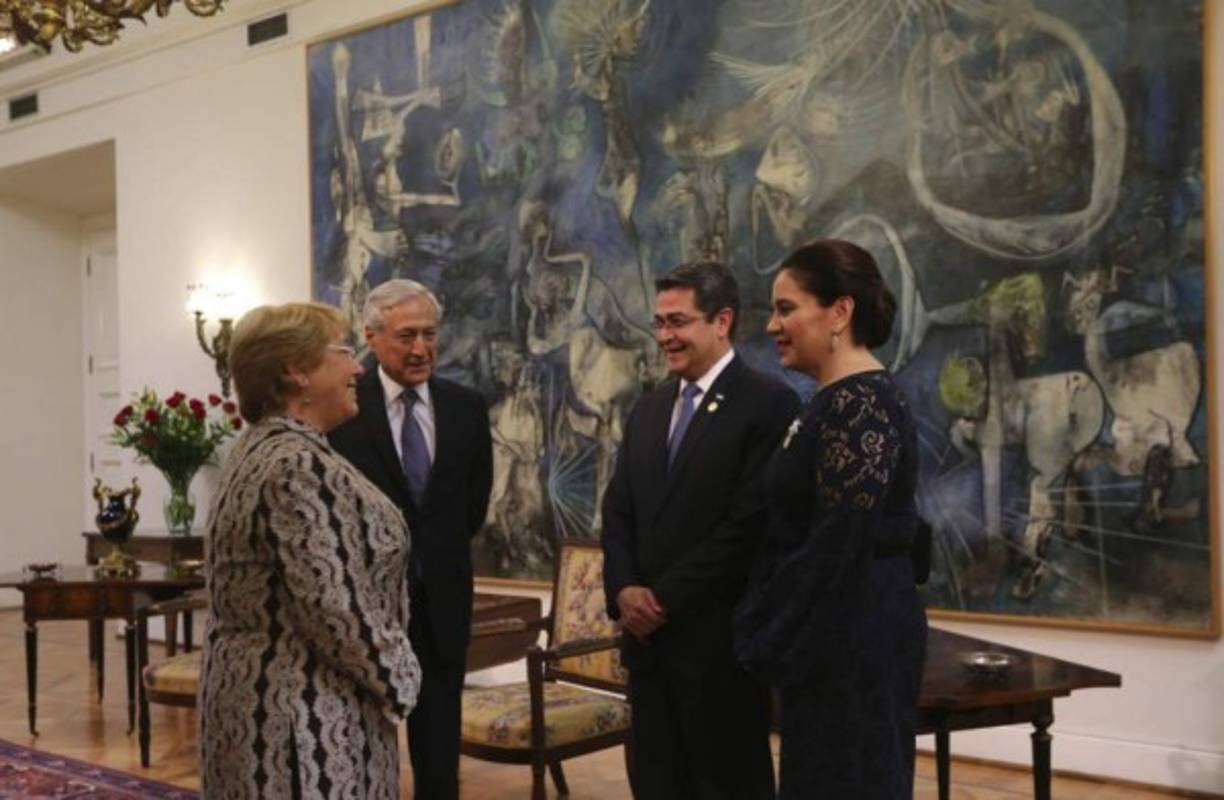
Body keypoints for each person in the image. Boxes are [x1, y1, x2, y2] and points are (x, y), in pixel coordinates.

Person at [199, 301, 421, 800]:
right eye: (344, 351)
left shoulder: (258, 448)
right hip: (303, 719)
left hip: (258, 703)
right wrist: (399, 678)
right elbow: (334, 607)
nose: (358, 368)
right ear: (297, 371)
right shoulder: (297, 464)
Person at [735, 239, 928, 799]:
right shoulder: (836, 399)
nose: (772, 325)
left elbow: (838, 541)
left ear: (840, 311)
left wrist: (764, 630)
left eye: (786, 308)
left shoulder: (859, 403)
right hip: (837, 631)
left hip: (854, 637)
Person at [602, 261, 800, 800]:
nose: (664, 336)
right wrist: (624, 590)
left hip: (720, 650)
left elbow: (749, 526)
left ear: (722, 321)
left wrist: (662, 598)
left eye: (678, 322)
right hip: (648, 651)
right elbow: (617, 510)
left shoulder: (769, 403)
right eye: (659, 322)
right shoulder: (649, 408)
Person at [329, 279, 493, 800]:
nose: (421, 348)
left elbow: (472, 507)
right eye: (406, 336)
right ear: (371, 337)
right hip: (364, 605)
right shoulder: (343, 411)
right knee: (357, 734)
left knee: (439, 741)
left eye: (429, 334)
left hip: (442, 597)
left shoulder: (466, 407)